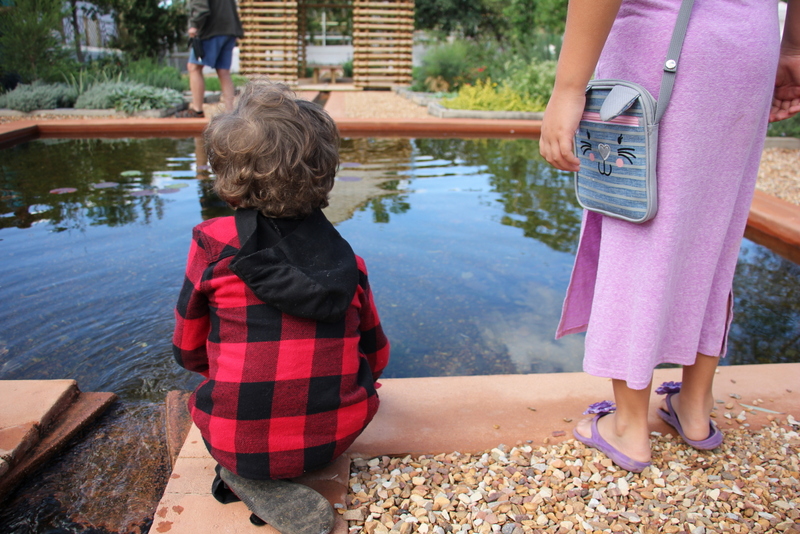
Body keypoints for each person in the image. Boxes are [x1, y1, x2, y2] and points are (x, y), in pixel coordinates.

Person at [540, 0, 800, 472]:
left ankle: (629, 427)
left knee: (636, 219)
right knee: (715, 233)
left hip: (664, 46)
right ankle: (695, 410)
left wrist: (568, 88)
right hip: (750, 48)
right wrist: (794, 48)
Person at [172, 80, 391, 532]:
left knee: (217, 402)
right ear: (325, 174)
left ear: (229, 180)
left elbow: (188, 350)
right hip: (337, 437)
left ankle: (244, 472)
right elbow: (377, 357)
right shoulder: (348, 262)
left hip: (235, 439)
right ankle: (272, 468)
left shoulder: (214, 245)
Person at [179, 0, 244, 117]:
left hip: (211, 29)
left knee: (194, 67)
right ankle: (231, 113)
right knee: (224, 72)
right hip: (230, 28)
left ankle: (197, 110)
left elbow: (200, 7)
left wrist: (194, 25)